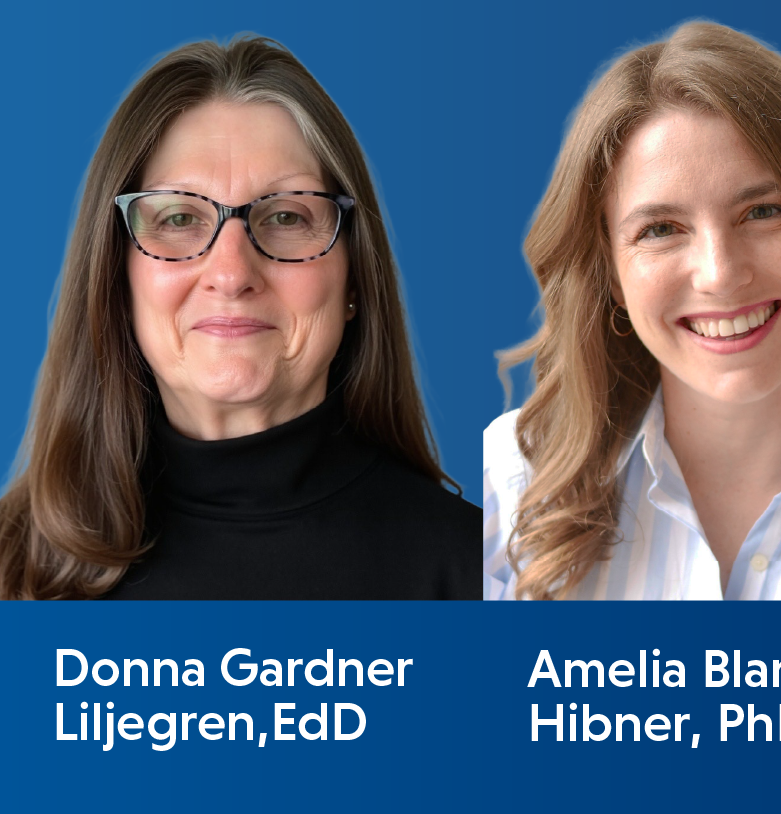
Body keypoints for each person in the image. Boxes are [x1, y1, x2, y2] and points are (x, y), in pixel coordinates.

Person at [484, 22, 781, 600]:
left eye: (763, 212)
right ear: (609, 273)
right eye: (661, 229)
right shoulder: (503, 491)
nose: (720, 272)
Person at [0, 36, 479, 600]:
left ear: (354, 281)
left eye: (285, 215)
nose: (230, 273)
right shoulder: (11, 570)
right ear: (116, 279)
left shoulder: (486, 578)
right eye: (179, 217)